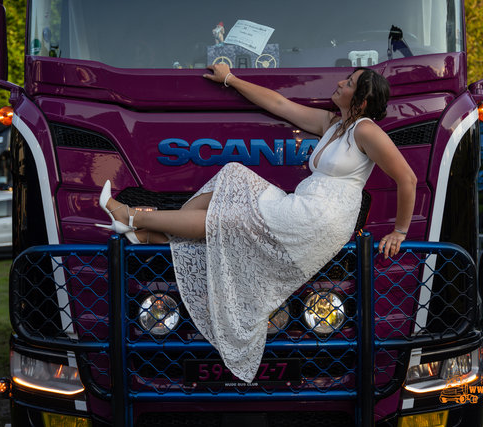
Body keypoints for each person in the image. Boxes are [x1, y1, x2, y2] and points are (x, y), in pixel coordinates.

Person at [96, 64, 417, 383]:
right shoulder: (333, 124)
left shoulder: (365, 129)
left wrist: (399, 230)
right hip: (302, 206)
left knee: (224, 219)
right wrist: (230, 79)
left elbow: (407, 178)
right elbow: (278, 104)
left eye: (348, 83)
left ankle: (131, 216)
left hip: (321, 217)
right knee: (231, 177)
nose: (339, 83)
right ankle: (147, 234)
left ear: (360, 102)